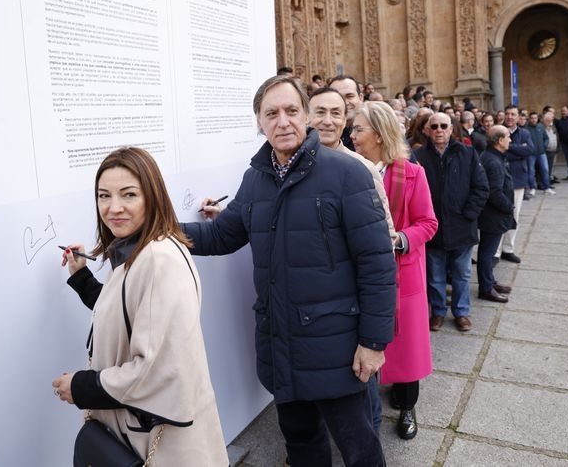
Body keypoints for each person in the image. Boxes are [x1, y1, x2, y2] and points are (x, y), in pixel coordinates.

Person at [182, 75, 396, 467]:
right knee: (302, 445)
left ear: (306, 116)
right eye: (271, 113)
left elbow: (377, 265)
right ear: (259, 123)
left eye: (291, 111)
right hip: (281, 344)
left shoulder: (347, 174)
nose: (283, 121)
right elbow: (221, 236)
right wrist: (160, 231)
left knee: (359, 448)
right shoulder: (255, 179)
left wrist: (374, 342)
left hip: (337, 348)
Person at [52, 147, 228, 465]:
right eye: (104, 196)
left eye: (128, 195)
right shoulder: (141, 250)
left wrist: (80, 386)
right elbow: (129, 313)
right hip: (146, 430)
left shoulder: (158, 259)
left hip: (159, 442)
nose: (113, 207)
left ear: (152, 196)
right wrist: (82, 278)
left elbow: (157, 370)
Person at [309, 86, 398, 434]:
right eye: (319, 112)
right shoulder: (293, 165)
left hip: (351, 303)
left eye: (335, 113)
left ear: (345, 120)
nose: (327, 121)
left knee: (363, 386)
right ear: (307, 116)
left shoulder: (360, 169)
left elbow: (384, 240)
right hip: (315, 304)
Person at [350, 101, 439, 441]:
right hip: (363, 276)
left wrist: (400, 239)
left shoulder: (411, 173)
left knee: (407, 347)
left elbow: (428, 224)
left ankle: (407, 406)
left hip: (404, 273)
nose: (352, 135)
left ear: (378, 133)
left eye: (358, 129)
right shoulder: (349, 170)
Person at [415, 112, 489, 332]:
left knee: (462, 274)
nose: (439, 130)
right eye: (434, 126)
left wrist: (468, 214)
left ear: (451, 129)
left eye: (443, 126)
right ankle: (438, 312)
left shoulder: (467, 153)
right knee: (435, 276)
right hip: (432, 228)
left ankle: (461, 312)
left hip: (461, 227)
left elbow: (481, 187)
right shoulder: (418, 156)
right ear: (427, 130)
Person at [478, 126, 516, 303]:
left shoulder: (494, 157)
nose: (511, 140)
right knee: (487, 253)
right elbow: (494, 192)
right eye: (508, 137)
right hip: (493, 216)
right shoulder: (492, 161)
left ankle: (490, 281)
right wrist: (509, 207)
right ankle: (486, 288)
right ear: (499, 140)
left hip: (494, 215)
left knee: (488, 251)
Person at [497, 105, 532, 264]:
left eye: (513, 114)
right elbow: (497, 152)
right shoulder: (498, 132)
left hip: (518, 179)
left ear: (518, 117)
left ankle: (508, 249)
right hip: (500, 179)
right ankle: (495, 252)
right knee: (498, 216)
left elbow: (529, 150)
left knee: (514, 215)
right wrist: (518, 151)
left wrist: (508, 147)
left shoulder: (524, 133)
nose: (510, 117)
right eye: (508, 114)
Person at [329, 75, 364, 152]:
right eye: (338, 97)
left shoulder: (376, 130)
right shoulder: (321, 135)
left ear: (360, 97)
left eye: (349, 96)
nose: (345, 102)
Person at [524, 110, 553, 195]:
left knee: (545, 170)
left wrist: (544, 146)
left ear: (537, 119)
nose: (533, 120)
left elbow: (546, 138)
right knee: (531, 171)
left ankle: (547, 187)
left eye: (535, 118)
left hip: (541, 153)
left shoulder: (541, 127)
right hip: (531, 154)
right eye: (532, 118)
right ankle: (532, 188)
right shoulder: (526, 128)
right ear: (529, 119)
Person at [542, 107, 560, 184]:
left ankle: (548, 182)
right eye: (548, 120)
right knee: (545, 168)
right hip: (546, 151)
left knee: (550, 168)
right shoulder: (541, 127)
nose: (550, 121)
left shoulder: (553, 127)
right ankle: (544, 182)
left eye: (551, 120)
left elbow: (556, 137)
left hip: (553, 150)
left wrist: (557, 147)